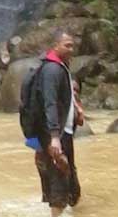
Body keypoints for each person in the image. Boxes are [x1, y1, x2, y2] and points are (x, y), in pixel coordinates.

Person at [34, 30, 82, 216]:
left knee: (72, 190)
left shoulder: (62, 67)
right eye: (67, 45)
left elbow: (66, 97)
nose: (72, 49)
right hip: (55, 136)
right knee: (59, 188)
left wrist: (77, 110)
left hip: (65, 133)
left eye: (72, 45)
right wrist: (54, 137)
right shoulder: (52, 70)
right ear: (55, 45)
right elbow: (50, 103)